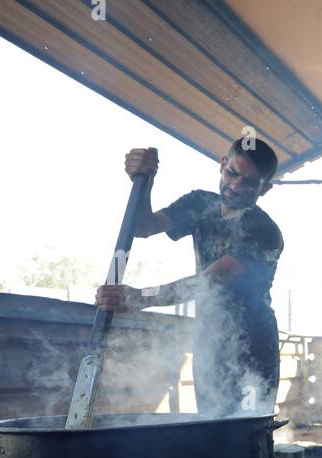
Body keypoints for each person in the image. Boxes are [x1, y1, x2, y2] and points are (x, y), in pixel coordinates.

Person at [95, 138, 284, 417]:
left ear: (265, 189)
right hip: (209, 341)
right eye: (232, 173)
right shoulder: (199, 203)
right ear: (222, 165)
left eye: (249, 183)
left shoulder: (265, 232)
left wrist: (140, 297)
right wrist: (143, 181)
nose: (235, 186)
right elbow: (142, 226)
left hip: (252, 350)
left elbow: (211, 280)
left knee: (248, 432)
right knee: (210, 429)